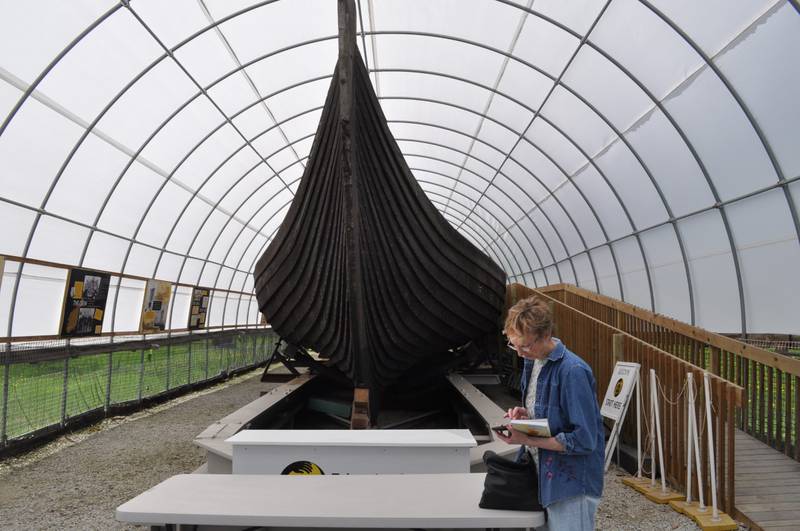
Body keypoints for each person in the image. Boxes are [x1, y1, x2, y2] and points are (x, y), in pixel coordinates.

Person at [496, 296, 604, 530]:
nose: (520, 353)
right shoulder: (534, 362)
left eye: (525, 345)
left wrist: (525, 439)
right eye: (514, 345)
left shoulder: (573, 371)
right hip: (544, 475)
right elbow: (554, 414)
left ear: (545, 335)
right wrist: (525, 414)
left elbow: (585, 440)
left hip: (571, 484)